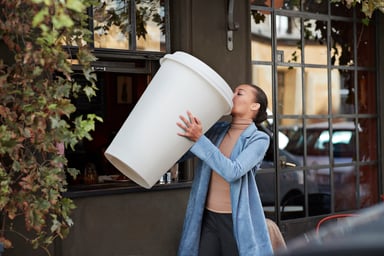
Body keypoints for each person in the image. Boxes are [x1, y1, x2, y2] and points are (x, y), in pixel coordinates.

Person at [176, 84, 273, 256]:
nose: (233, 96)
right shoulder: (217, 130)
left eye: (239, 93)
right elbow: (182, 154)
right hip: (207, 216)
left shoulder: (259, 139)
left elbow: (233, 172)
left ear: (254, 106)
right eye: (233, 92)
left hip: (235, 219)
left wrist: (199, 139)